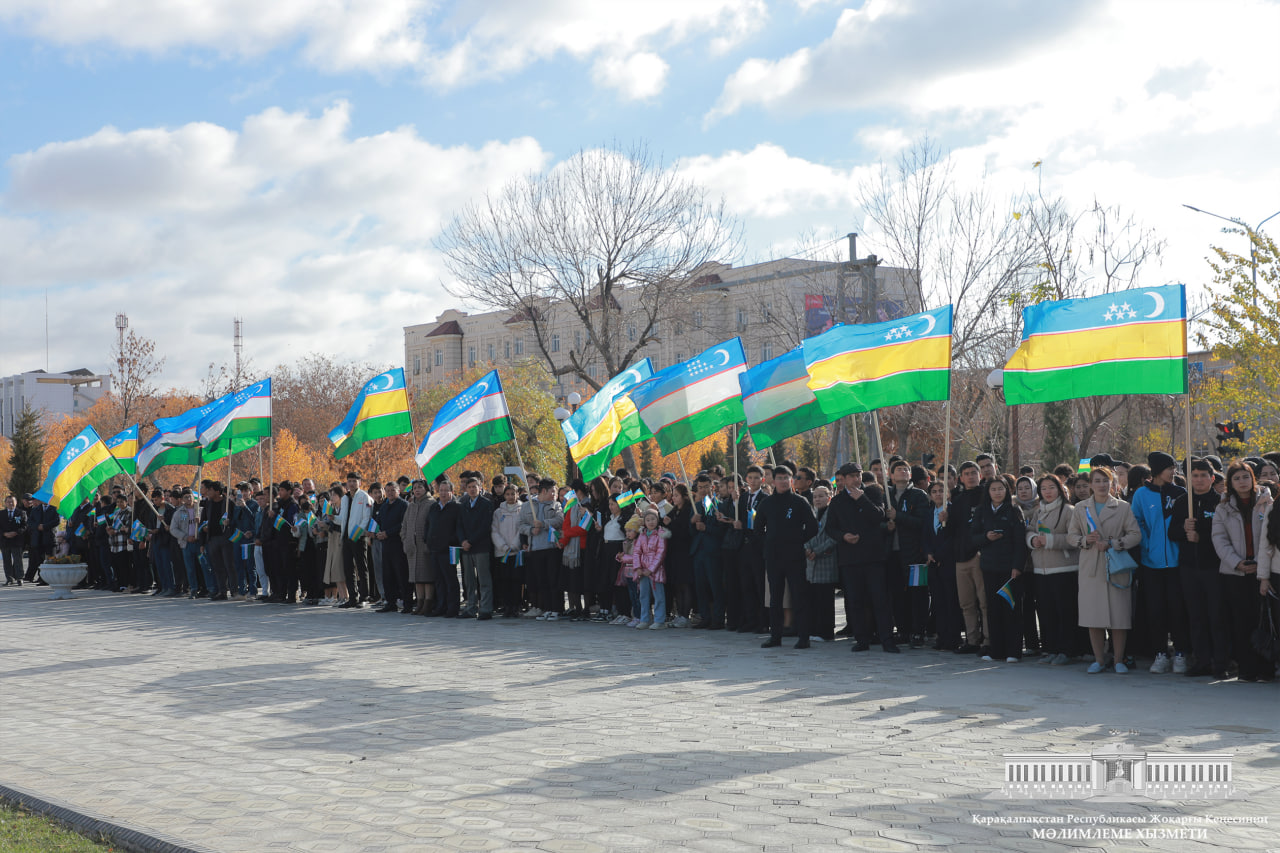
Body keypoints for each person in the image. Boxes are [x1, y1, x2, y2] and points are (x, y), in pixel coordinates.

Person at [1068, 467, 1142, 674]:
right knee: (1094, 617)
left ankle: (1118, 659)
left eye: (1105, 481)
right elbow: (1071, 536)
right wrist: (1085, 540)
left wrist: (1114, 543)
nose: (1101, 485)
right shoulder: (1081, 508)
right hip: (1091, 566)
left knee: (1119, 616)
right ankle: (1099, 660)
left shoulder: (1123, 507)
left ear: (1113, 483)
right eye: (1097, 481)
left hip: (1116, 565)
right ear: (1090, 484)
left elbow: (1135, 535)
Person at [826, 463, 897, 653]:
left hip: (874, 557)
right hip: (850, 559)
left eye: (858, 475)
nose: (856, 479)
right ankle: (861, 639)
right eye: (851, 477)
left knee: (880, 600)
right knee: (856, 601)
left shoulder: (872, 493)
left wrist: (862, 499)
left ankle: (887, 639)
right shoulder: (838, 501)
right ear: (843, 479)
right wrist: (843, 536)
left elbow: (878, 516)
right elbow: (830, 528)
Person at [1212, 461, 1274, 682]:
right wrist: (1237, 562)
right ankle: (1246, 669)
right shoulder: (1223, 507)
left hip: (1262, 571)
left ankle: (1266, 668)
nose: (1242, 482)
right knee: (1240, 621)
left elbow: (1271, 537)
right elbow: (1219, 540)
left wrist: (1259, 562)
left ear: (1253, 478)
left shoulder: (1268, 503)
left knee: (1263, 620)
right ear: (1230, 482)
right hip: (1234, 573)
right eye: (1236, 478)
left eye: (1245, 477)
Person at [1169, 458, 1228, 678]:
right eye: (1195, 476)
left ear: (1212, 478)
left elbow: (1224, 536)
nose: (1199, 479)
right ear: (1189, 479)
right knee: (1196, 616)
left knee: (1216, 616)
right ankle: (1202, 660)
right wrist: (1184, 529)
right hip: (1188, 568)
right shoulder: (1183, 501)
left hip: (1213, 567)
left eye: (1204, 475)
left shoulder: (1220, 502)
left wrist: (1200, 536)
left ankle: (1220, 662)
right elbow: (1172, 533)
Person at [1132, 451, 1189, 674]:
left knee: (1177, 610)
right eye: (1169, 468)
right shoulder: (1141, 495)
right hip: (1151, 563)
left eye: (1174, 468)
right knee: (1155, 611)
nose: (1173, 472)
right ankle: (1160, 653)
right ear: (1157, 471)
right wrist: (1147, 544)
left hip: (1177, 563)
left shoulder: (1180, 493)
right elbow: (1136, 521)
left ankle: (1181, 653)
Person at [758, 468, 819, 650]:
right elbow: (758, 529)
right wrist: (768, 544)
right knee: (775, 599)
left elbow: (812, 527)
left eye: (787, 478)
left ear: (791, 480)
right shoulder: (766, 503)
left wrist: (799, 541)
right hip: (774, 557)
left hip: (795, 557)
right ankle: (775, 636)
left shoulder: (799, 502)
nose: (783, 481)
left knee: (799, 596)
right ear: (773, 481)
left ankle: (803, 637)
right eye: (780, 478)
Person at [970, 477, 1027, 662]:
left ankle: (1013, 651)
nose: (997, 492)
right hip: (989, 567)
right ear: (988, 492)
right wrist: (986, 537)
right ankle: (996, 650)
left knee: (1010, 609)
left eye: (1000, 489)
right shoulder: (982, 511)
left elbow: (1020, 542)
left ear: (1007, 490)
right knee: (992, 609)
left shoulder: (1014, 510)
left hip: (1009, 568)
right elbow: (973, 537)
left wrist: (1017, 566)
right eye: (993, 489)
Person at [1026, 474, 1079, 665]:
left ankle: (1067, 650)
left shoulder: (1069, 511)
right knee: (1046, 612)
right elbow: (1030, 530)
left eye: (1052, 487)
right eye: (1044, 488)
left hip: (1064, 569)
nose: (1048, 492)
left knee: (1064, 612)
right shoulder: (1038, 511)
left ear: (1059, 489)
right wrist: (1032, 540)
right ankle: (1050, 648)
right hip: (1041, 569)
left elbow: (1074, 538)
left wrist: (1048, 541)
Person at [885, 459, 932, 647]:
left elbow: (921, 523)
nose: (903, 472)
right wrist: (886, 525)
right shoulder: (886, 495)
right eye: (898, 469)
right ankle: (903, 630)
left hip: (914, 553)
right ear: (891, 474)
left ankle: (918, 631)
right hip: (893, 554)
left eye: (906, 469)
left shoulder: (919, 495)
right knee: (897, 594)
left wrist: (899, 517)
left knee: (918, 594)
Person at [949, 462, 988, 654]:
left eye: (974, 473)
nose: (971, 476)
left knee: (984, 603)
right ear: (960, 478)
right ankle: (972, 640)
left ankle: (988, 640)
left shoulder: (987, 495)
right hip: (961, 557)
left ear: (980, 475)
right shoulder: (957, 500)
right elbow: (952, 530)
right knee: (966, 603)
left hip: (981, 555)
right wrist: (944, 519)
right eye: (967, 474)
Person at [518, 478, 563, 620]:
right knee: (541, 580)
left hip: (551, 548)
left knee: (553, 580)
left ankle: (556, 609)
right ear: (544, 491)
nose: (554, 494)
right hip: (535, 549)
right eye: (553, 491)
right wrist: (531, 529)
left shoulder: (556, 505)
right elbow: (520, 525)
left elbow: (559, 520)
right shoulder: (527, 506)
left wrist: (543, 523)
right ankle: (547, 608)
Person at [689, 474, 725, 630]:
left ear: (713, 487)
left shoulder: (720, 506)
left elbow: (723, 530)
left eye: (706, 487)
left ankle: (718, 619)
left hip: (714, 551)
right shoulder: (695, 506)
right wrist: (692, 523)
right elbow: (689, 532)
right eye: (700, 487)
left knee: (715, 586)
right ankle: (705, 617)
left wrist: (707, 528)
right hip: (699, 551)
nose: (703, 490)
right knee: (701, 586)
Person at [456, 477, 494, 619]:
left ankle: (485, 609)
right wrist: (463, 541)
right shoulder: (463, 504)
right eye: (469, 487)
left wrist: (470, 540)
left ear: (480, 487)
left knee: (484, 579)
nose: (472, 489)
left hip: (481, 546)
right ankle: (471, 607)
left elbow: (485, 526)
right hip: (466, 548)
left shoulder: (486, 504)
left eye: (474, 486)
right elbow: (458, 525)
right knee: (469, 581)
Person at [805, 485, 838, 643]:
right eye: (815, 496)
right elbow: (805, 533)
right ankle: (814, 628)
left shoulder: (832, 514)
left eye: (821, 496)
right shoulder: (812, 513)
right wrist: (806, 549)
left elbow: (834, 537)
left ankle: (826, 631)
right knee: (813, 598)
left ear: (829, 497)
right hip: (811, 561)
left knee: (825, 599)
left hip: (826, 559)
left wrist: (817, 551)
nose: (818, 499)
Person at [426, 479, 462, 617]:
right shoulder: (434, 507)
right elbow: (428, 525)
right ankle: (440, 607)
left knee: (450, 580)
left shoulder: (457, 507)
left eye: (446, 490)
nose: (443, 493)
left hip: (449, 550)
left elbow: (458, 527)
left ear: (451, 492)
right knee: (439, 580)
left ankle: (452, 608)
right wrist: (427, 539)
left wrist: (452, 541)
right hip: (434, 549)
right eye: (441, 490)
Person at [629, 507, 668, 629]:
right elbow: (636, 552)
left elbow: (660, 553)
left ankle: (659, 620)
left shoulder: (661, 534)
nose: (651, 522)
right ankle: (644, 619)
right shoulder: (642, 535)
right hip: (642, 569)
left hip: (655, 570)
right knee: (643, 595)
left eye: (653, 519)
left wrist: (651, 569)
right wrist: (638, 567)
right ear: (644, 522)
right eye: (648, 519)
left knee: (658, 595)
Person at [490, 484, 524, 617]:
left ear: (517, 494)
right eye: (508, 494)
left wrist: (514, 545)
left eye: (513, 494)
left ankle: (516, 606)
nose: (510, 497)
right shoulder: (498, 512)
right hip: (502, 552)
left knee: (516, 579)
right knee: (504, 579)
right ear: (504, 496)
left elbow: (521, 529)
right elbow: (494, 531)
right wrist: (503, 546)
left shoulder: (522, 510)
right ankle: (506, 605)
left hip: (515, 552)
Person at [376, 482, 410, 613]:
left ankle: (407, 602)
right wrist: (375, 532)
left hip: (398, 543)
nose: (390, 493)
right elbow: (378, 522)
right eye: (388, 490)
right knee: (387, 574)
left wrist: (387, 533)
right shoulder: (384, 506)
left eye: (393, 490)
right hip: (385, 545)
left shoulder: (403, 505)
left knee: (401, 574)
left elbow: (403, 524)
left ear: (398, 491)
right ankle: (390, 602)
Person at [340, 472, 373, 606]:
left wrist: (358, 532)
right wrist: (332, 518)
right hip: (346, 537)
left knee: (361, 567)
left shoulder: (364, 496)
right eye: (350, 481)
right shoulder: (344, 498)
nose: (352, 483)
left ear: (360, 482)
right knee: (348, 568)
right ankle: (352, 597)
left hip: (358, 537)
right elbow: (342, 518)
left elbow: (367, 517)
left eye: (354, 481)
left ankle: (364, 597)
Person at [402, 481, 430, 614]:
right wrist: (405, 539)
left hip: (424, 546)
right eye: (415, 488)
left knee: (427, 577)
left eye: (420, 487)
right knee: (415, 577)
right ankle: (419, 602)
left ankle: (428, 603)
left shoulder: (431, 504)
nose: (417, 490)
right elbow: (405, 525)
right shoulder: (411, 506)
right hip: (412, 547)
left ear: (426, 489)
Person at [1, 495, 27, 585]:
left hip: (17, 540)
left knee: (18, 560)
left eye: (12, 501)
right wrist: (4, 534)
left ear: (16, 502)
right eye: (8, 502)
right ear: (5, 503)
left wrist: (16, 532)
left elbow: (25, 526)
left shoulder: (21, 513)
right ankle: (9, 578)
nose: (10, 503)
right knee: (6, 561)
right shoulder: (1, 514)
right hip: (5, 541)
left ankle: (20, 578)